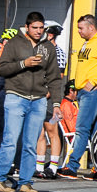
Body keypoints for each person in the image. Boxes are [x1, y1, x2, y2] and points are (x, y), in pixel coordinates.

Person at [0, 12, 61, 192]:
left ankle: (25, 183)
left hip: (38, 100)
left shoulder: (48, 48)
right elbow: (2, 68)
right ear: (27, 27)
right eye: (35, 28)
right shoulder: (14, 43)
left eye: (41, 28)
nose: (38, 31)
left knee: (31, 143)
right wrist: (24, 63)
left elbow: (54, 78)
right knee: (10, 141)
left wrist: (56, 104)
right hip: (15, 96)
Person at [57, 15, 97, 180]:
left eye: (81, 28)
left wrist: (94, 82)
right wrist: (77, 85)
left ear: (91, 27)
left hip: (94, 91)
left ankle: (72, 166)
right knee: (94, 130)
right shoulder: (87, 43)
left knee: (82, 128)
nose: (78, 31)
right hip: (84, 92)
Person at [34, 21, 66, 179]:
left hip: (50, 98)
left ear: (51, 34)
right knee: (39, 133)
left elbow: (58, 78)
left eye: (44, 30)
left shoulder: (58, 53)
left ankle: (53, 167)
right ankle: (39, 166)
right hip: (37, 95)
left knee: (52, 131)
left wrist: (46, 94)